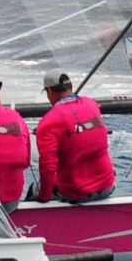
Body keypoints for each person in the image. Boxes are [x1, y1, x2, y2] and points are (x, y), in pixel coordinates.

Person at [33, 71, 115, 204]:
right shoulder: (91, 104)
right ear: (70, 87)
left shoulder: (48, 122)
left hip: (77, 192)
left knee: (35, 188)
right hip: (108, 186)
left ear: (49, 91)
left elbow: (48, 167)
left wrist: (43, 198)